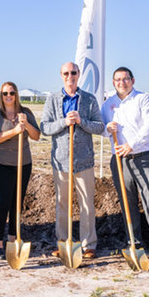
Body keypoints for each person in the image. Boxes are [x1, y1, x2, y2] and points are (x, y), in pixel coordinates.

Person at [101, 67, 149, 262]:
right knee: (127, 202)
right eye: (118, 80)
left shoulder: (143, 99)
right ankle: (135, 242)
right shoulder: (108, 105)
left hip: (143, 155)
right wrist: (107, 128)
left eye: (126, 79)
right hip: (120, 159)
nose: (122, 83)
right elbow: (103, 129)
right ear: (113, 83)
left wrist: (132, 145)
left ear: (133, 80)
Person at [40, 62, 104, 260]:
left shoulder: (89, 99)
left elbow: (99, 126)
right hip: (61, 162)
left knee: (87, 204)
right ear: (61, 75)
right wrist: (64, 123)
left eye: (73, 73)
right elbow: (45, 127)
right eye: (66, 73)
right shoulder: (52, 99)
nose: (70, 76)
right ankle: (63, 241)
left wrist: (81, 121)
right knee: (62, 204)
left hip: (83, 161)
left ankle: (88, 244)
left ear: (79, 74)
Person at [0, 81, 40, 259]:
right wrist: (15, 131)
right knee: (4, 201)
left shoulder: (26, 113)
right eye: (4, 93)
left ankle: (13, 237)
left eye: (11, 93)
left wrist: (26, 126)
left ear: (16, 94)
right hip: (3, 163)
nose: (8, 96)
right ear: (1, 96)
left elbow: (36, 136)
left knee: (18, 201)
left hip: (23, 163)